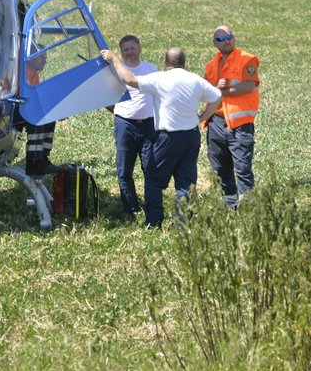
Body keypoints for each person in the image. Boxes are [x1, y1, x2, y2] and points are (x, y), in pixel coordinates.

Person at [101, 47, 222, 228]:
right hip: (191, 136)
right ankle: (182, 222)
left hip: (168, 137)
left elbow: (129, 79)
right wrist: (202, 118)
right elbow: (217, 96)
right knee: (185, 181)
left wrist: (114, 59)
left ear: (166, 63)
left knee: (154, 178)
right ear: (184, 62)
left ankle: (154, 220)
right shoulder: (196, 80)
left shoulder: (160, 78)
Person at [203, 26, 260, 208]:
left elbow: (249, 86)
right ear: (214, 44)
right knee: (220, 167)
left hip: (239, 124)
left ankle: (248, 206)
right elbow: (205, 89)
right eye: (221, 39)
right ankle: (229, 205)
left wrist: (222, 92)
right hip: (216, 122)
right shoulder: (211, 65)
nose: (226, 41)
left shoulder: (247, 59)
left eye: (229, 37)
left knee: (242, 167)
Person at [105, 35, 157, 214]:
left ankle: (152, 204)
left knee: (150, 168)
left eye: (132, 48)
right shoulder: (116, 71)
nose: (129, 52)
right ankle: (132, 208)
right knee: (124, 169)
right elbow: (106, 98)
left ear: (139, 49)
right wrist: (122, 112)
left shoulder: (151, 69)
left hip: (148, 125)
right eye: (125, 49)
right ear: (121, 52)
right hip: (125, 125)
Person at [19, 49, 59, 176]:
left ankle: (43, 157)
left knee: (49, 117)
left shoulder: (34, 75)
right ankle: (33, 162)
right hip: (12, 108)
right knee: (37, 118)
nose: (44, 61)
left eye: (46, 58)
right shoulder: (21, 72)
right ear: (31, 58)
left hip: (23, 108)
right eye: (42, 57)